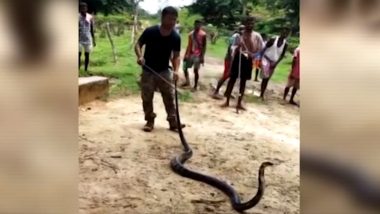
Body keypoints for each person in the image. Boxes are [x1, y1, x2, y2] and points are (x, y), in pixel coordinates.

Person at [134, 6, 185, 132]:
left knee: (169, 97)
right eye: (169, 19)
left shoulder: (175, 37)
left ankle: (173, 122)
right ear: (162, 18)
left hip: (164, 70)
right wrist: (140, 57)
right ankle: (149, 121)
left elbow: (176, 56)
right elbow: (138, 44)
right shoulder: (150, 31)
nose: (172, 22)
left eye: (174, 20)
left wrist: (176, 70)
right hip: (148, 70)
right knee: (147, 97)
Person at [222, 17, 264, 110]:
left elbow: (261, 48)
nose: (250, 25)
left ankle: (239, 103)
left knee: (243, 82)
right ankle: (227, 101)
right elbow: (233, 46)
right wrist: (237, 48)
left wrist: (253, 55)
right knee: (232, 79)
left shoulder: (257, 36)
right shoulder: (239, 35)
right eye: (248, 23)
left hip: (248, 60)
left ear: (254, 24)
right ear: (245, 24)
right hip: (238, 58)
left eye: (252, 23)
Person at [211, 25, 245, 100]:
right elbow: (231, 49)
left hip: (235, 59)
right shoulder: (235, 37)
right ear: (239, 30)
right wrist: (232, 59)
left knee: (232, 76)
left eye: (244, 29)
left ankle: (227, 92)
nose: (243, 31)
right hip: (230, 59)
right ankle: (216, 91)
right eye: (241, 29)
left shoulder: (241, 37)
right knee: (226, 75)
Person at [259, 28, 290, 100]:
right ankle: (261, 94)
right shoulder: (273, 39)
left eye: (286, 34)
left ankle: (262, 93)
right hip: (266, 59)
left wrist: (276, 63)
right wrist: (260, 58)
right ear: (281, 32)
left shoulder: (285, 44)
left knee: (267, 78)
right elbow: (265, 48)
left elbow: (282, 55)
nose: (284, 35)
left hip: (274, 61)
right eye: (284, 32)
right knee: (265, 77)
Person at [181, 20, 207, 91]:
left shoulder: (203, 34)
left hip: (198, 55)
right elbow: (189, 45)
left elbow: (204, 46)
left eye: (199, 24)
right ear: (194, 24)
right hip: (191, 53)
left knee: (196, 70)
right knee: (184, 67)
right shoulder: (191, 34)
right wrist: (186, 54)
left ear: (201, 25)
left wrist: (202, 57)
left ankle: (195, 86)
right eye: (196, 24)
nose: (197, 26)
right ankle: (187, 81)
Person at [79, 2, 96, 72]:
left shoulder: (89, 17)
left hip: (88, 38)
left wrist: (94, 39)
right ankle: (78, 69)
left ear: (87, 8)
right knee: (78, 54)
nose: (84, 9)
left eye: (85, 8)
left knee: (87, 54)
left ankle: (86, 69)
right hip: (79, 39)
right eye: (82, 8)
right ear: (79, 9)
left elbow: (91, 29)